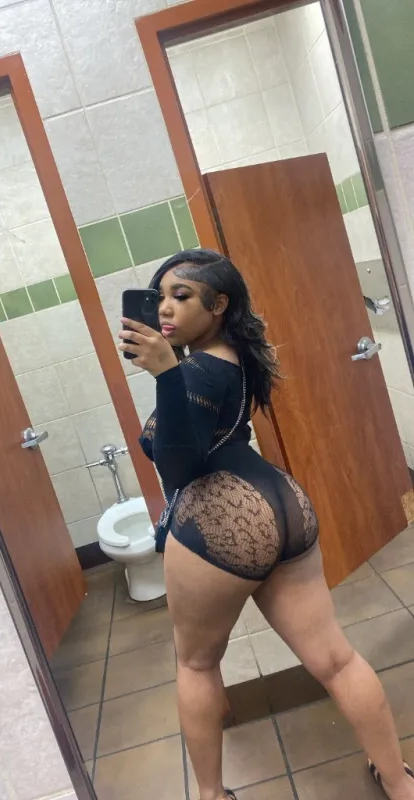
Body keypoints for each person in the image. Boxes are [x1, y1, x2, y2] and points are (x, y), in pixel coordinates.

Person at [118, 248, 414, 800]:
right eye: (160, 297)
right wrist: (169, 370)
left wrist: (165, 375)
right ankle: (399, 782)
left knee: (197, 664)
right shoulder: (231, 355)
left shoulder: (193, 370)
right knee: (336, 659)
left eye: (181, 296)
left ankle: (212, 795)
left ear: (218, 304)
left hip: (222, 515)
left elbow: (180, 467)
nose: (165, 309)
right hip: (282, 504)